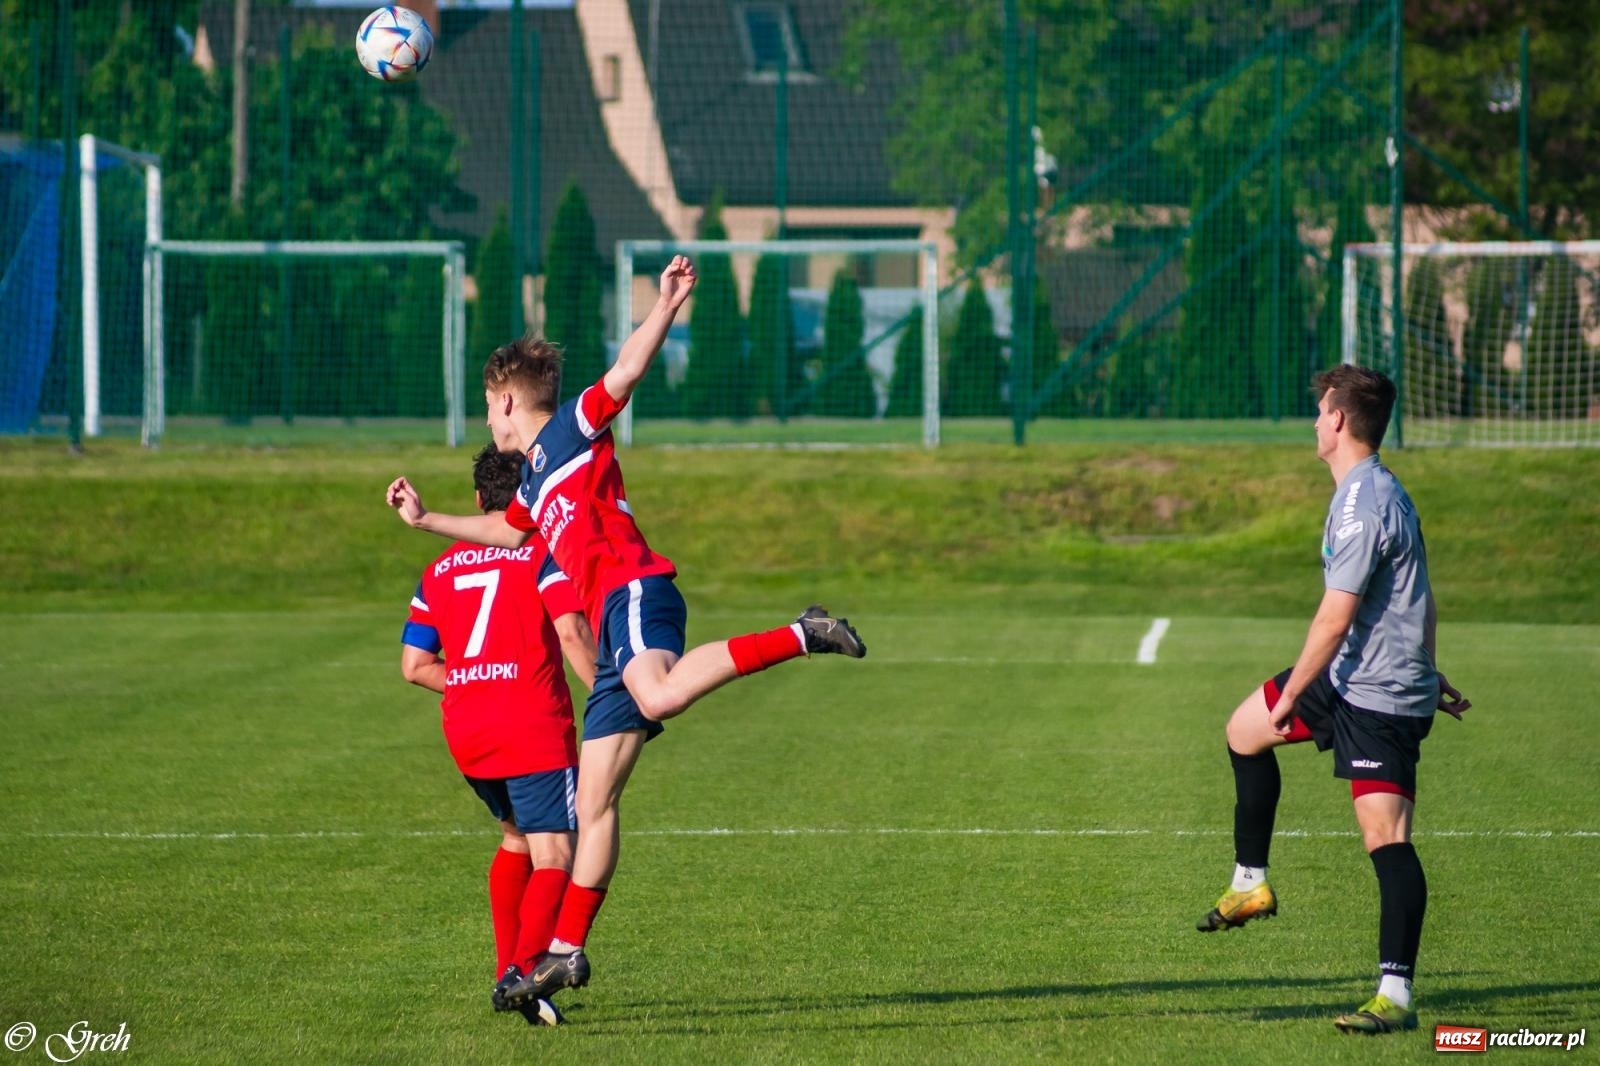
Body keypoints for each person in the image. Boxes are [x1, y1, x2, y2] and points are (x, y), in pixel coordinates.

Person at [387, 256, 866, 1008]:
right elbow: (502, 532)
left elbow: (626, 370)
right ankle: (567, 951)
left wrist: (668, 303)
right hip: (611, 631)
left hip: (635, 590)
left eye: (488, 407)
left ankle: (803, 633)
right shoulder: (535, 484)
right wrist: (424, 521)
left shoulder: (570, 430)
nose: (487, 421)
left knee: (661, 692)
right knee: (595, 802)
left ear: (510, 400)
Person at [1194, 365, 1471, 1035]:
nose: (1315, 421)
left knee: (1386, 838)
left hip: (1374, 694)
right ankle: (1249, 883)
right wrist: (1430, 670)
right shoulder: (1372, 490)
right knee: (1243, 730)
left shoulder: (1364, 504)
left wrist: (1295, 694)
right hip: (1352, 673)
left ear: (1341, 421)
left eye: (1320, 411)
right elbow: (1422, 594)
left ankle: (1396, 997)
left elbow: (1335, 617)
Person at [400, 445, 598, 1027]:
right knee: (558, 853)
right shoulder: (540, 553)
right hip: (532, 726)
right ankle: (522, 973)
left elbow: (415, 664)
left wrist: (476, 680)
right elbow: (571, 633)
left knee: (517, 841)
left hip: (469, 731)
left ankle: (509, 977)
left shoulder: (438, 570)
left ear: (477, 501)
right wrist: (615, 698)